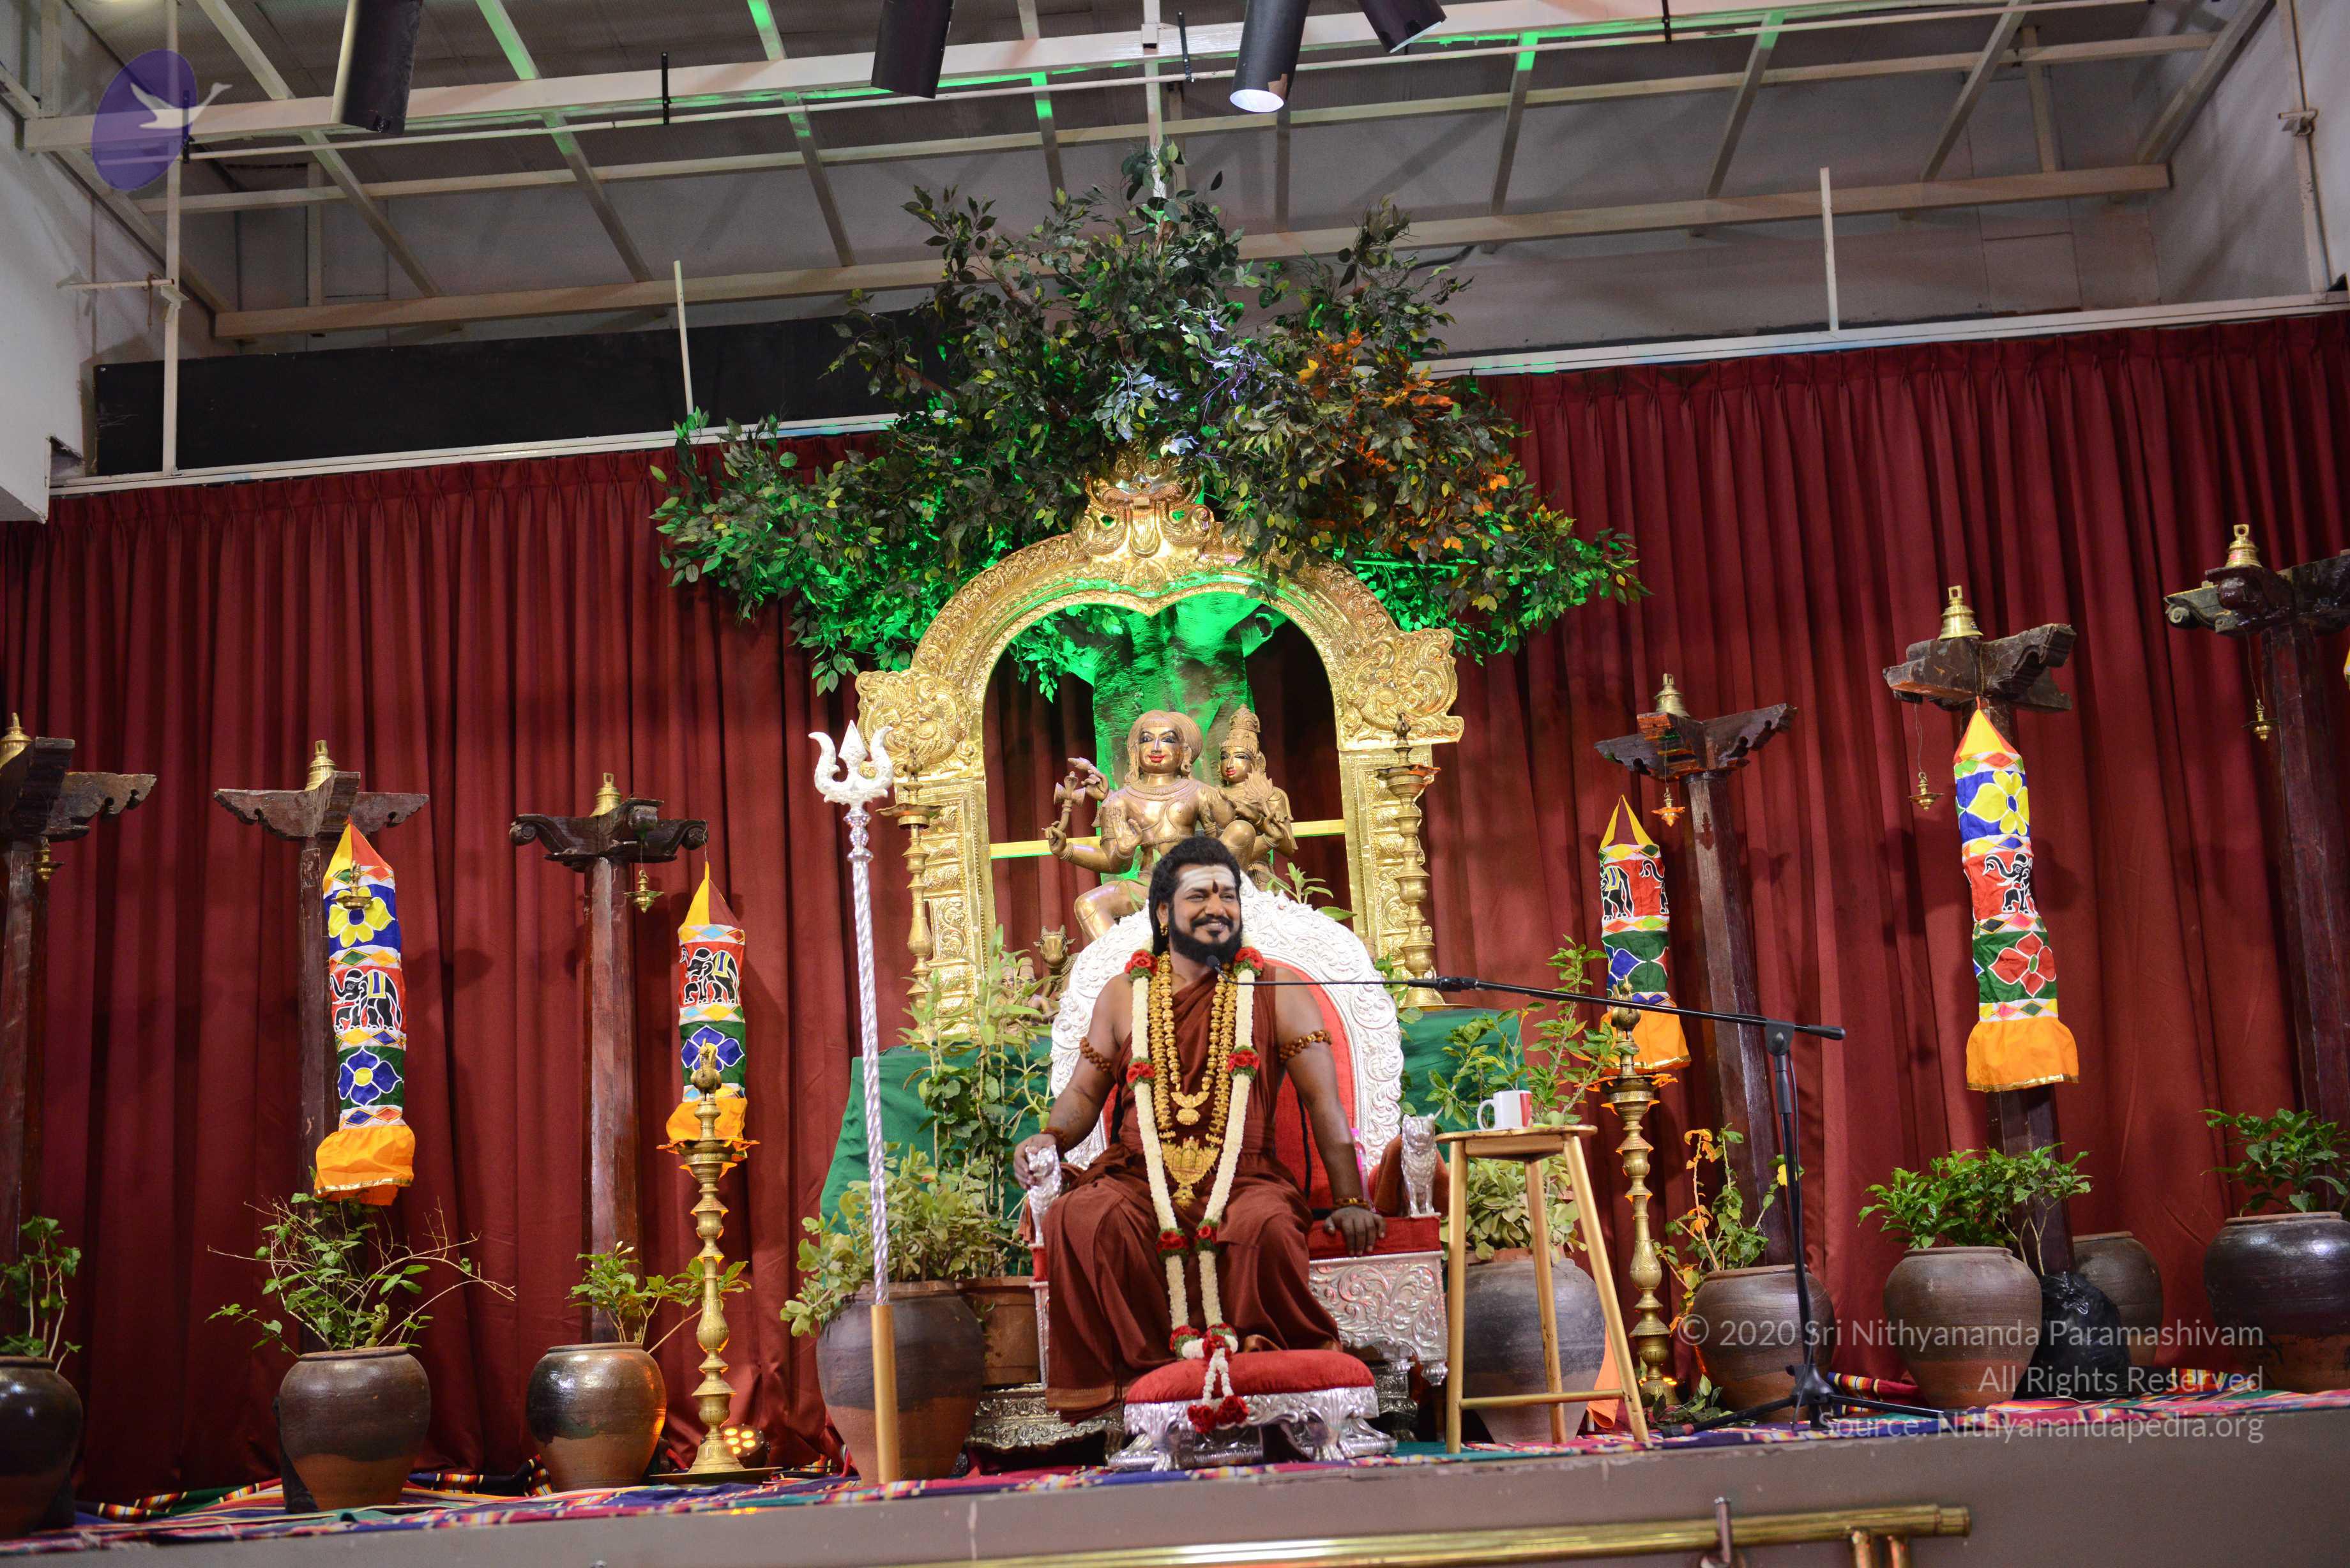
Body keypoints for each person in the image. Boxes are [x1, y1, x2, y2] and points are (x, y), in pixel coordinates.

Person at [1014, 836, 1384, 1417]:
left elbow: (1324, 1105)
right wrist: (1050, 1137)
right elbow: (1085, 1093)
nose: (1218, 908)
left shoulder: (1276, 987)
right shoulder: (1124, 995)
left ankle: (1265, 1374)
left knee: (1265, 1226)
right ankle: (1141, 1391)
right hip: (1140, 1177)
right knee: (1081, 1217)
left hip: (1243, 1175)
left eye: (1228, 895)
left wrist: (1350, 1198)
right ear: (1164, 913)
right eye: (1200, 896)